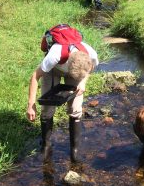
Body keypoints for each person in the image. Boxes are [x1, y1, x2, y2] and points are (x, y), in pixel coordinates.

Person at [27, 30, 98, 161]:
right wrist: (31, 105)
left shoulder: (91, 54)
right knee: (47, 107)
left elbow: (90, 68)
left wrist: (82, 82)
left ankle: (74, 149)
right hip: (54, 70)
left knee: (75, 108)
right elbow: (35, 76)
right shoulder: (54, 56)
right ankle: (46, 145)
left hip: (76, 71)